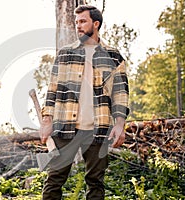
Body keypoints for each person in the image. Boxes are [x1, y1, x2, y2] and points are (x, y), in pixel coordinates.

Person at [40, 5, 129, 200]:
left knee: (96, 182)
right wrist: (47, 122)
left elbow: (121, 94)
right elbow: (53, 88)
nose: (78, 26)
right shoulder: (65, 54)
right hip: (65, 127)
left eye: (82, 21)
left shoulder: (114, 56)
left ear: (95, 24)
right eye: (76, 22)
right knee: (54, 180)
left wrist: (120, 124)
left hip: (99, 129)